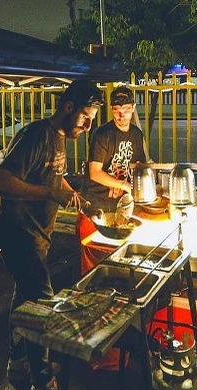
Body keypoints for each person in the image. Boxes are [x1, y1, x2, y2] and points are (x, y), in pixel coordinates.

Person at [0, 79, 103, 390]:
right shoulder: (37, 135)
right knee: (42, 304)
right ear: (68, 107)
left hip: (37, 235)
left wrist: (72, 194)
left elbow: (52, 177)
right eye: (85, 117)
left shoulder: (60, 139)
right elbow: (0, 182)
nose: (88, 126)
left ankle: (18, 361)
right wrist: (50, 195)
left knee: (25, 296)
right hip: (17, 232)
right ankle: (43, 387)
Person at [77, 86, 146, 272]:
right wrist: (122, 184)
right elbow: (95, 172)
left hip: (119, 208)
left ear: (133, 108)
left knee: (117, 263)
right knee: (93, 263)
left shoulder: (137, 135)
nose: (121, 115)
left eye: (125, 110)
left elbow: (136, 166)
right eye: (116, 111)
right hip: (95, 207)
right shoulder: (102, 135)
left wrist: (124, 184)